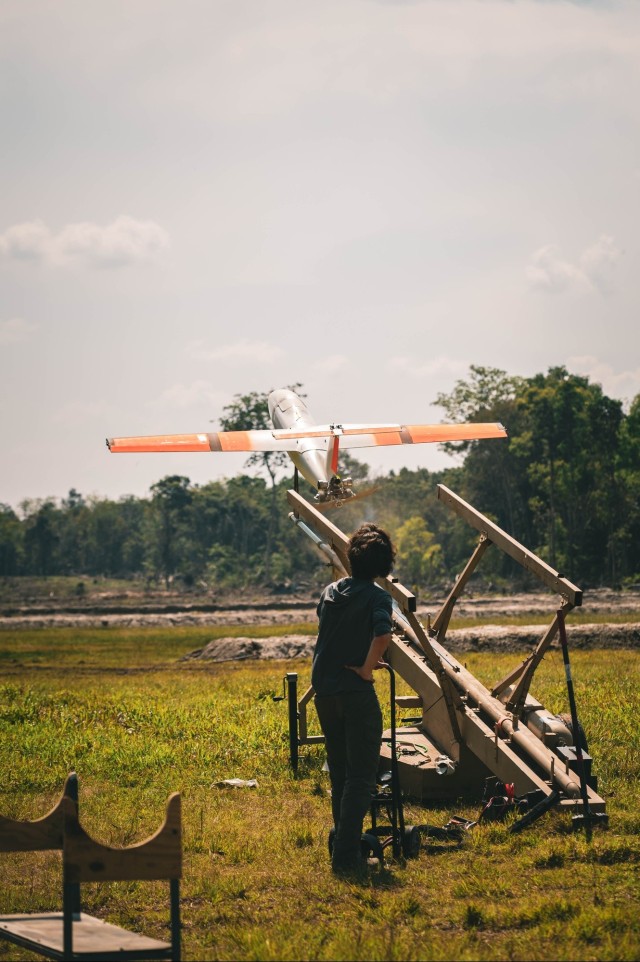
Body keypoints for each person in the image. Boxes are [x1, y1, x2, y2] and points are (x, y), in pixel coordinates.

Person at [312, 522, 396, 874]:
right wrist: (366, 668)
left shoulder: (331, 592)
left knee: (341, 774)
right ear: (384, 563)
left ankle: (344, 842)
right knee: (362, 777)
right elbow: (382, 633)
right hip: (354, 690)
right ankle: (345, 857)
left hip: (324, 691)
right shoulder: (379, 596)